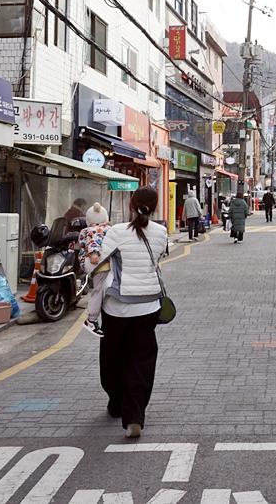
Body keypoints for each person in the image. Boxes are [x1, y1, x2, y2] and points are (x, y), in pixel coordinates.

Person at [97, 187, 169, 439]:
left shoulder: (116, 232)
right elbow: (157, 258)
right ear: (155, 205)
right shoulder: (161, 232)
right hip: (148, 306)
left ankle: (117, 402)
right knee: (141, 362)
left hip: (116, 308)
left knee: (112, 359)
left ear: (131, 204)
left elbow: (97, 265)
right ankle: (134, 416)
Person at [79, 203, 112, 338]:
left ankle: (96, 316)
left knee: (100, 289)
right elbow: (94, 243)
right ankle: (91, 320)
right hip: (99, 263)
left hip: (89, 265)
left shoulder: (84, 231)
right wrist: (94, 253)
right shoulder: (104, 229)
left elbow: (81, 247)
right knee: (99, 290)